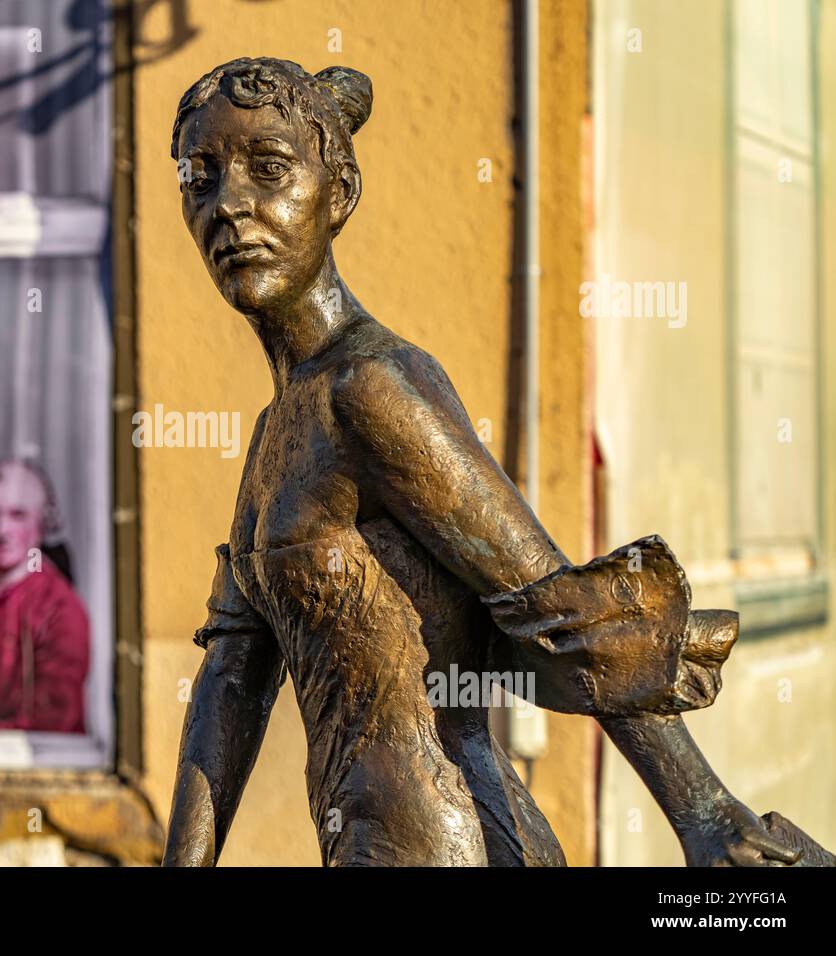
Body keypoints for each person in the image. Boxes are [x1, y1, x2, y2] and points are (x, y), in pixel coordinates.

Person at [162, 57, 832, 866]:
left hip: (449, 843)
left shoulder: (372, 387)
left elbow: (559, 604)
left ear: (337, 194)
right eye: (201, 177)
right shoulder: (278, 430)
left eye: (268, 168)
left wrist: (704, 811)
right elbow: (233, 671)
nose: (229, 204)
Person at [0, 458, 88, 733]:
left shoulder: (59, 608)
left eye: (17, 515)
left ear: (42, 523)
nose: (1, 530)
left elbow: (54, 722)